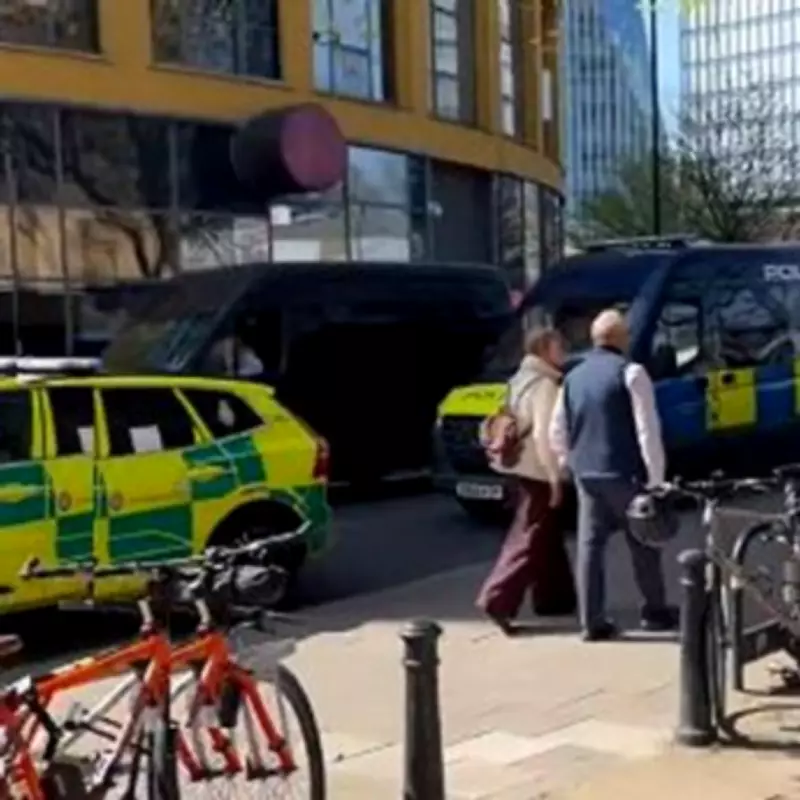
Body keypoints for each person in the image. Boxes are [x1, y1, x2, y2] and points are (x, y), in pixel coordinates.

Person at [548, 309, 677, 641]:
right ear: (621, 339)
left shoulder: (572, 377)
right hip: (626, 472)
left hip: (587, 474)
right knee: (644, 542)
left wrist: (568, 462)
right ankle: (654, 611)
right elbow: (647, 429)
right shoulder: (632, 373)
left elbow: (556, 429)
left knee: (590, 547)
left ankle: (591, 621)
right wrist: (656, 479)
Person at [476, 328, 576, 634]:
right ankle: (497, 598)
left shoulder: (518, 379)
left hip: (517, 466)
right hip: (537, 470)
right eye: (560, 347)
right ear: (545, 348)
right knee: (530, 536)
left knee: (548, 535)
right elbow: (544, 436)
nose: (565, 353)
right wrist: (555, 477)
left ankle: (554, 598)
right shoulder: (545, 384)